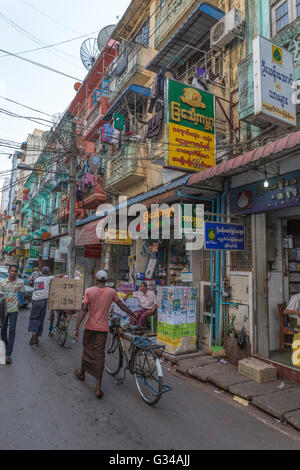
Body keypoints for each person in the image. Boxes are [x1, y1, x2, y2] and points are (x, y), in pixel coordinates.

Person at [73, 270, 136, 399]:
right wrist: (133, 314)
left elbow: (84, 310)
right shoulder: (111, 292)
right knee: (99, 355)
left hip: (90, 327)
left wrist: (76, 328)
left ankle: (82, 373)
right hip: (102, 329)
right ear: (106, 280)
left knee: (87, 351)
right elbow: (121, 305)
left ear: (96, 279)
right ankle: (97, 387)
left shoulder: (89, 291)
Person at [28, 267, 63, 345]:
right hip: (43, 302)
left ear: (41, 272)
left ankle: (34, 334)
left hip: (35, 301)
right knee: (40, 318)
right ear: (48, 273)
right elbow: (57, 276)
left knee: (34, 318)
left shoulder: (37, 279)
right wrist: (63, 274)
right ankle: (36, 336)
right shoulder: (48, 278)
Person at [0, 264, 25, 364]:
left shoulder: (20, 282)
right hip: (3, 310)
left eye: (15, 271)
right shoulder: (2, 283)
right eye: (11, 271)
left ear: (17, 272)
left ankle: (8, 354)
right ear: (9, 271)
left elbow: (22, 293)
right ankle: (5, 344)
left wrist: (20, 301)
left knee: (12, 330)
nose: (13, 273)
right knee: (3, 330)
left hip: (14, 310)